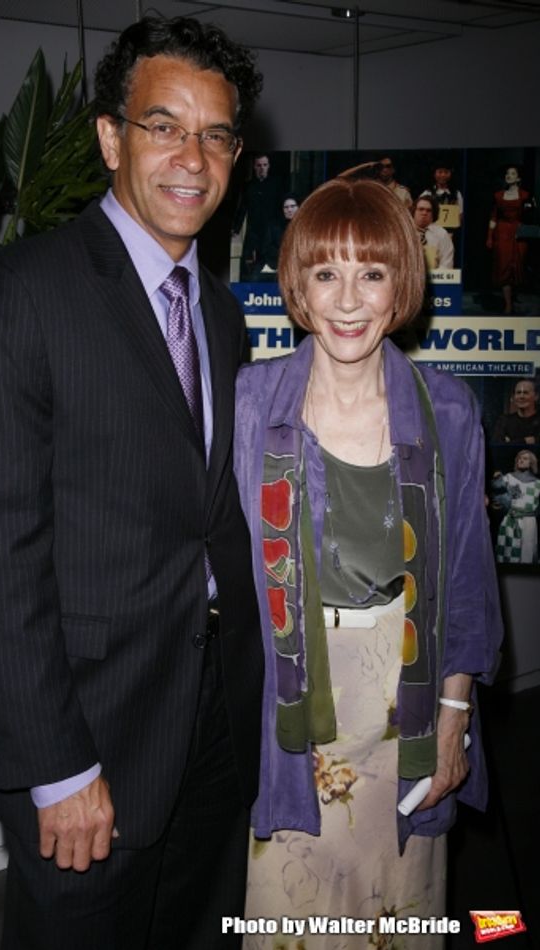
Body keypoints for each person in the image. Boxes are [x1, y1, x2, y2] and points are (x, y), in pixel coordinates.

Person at [0, 16, 264, 950]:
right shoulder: (21, 294)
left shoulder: (220, 312)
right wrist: (57, 766)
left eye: (215, 135)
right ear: (112, 137)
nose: (191, 158)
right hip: (93, 737)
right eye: (164, 126)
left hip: (214, 722)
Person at [234, 177, 502, 947]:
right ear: (299, 287)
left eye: (373, 273)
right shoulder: (252, 404)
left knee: (397, 920)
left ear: (402, 286)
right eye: (326, 274)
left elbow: (466, 581)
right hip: (288, 719)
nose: (348, 300)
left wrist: (454, 721)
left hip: (406, 713)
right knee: (293, 922)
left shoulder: (447, 409)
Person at [486, 165, 531, 314]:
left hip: (519, 233)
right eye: (507, 173)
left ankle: (514, 298)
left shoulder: (525, 195)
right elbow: (493, 217)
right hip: (502, 233)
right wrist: (489, 236)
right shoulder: (498, 195)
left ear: (518, 178)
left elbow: (531, 216)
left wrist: (524, 231)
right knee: (504, 268)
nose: (508, 176)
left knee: (517, 268)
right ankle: (508, 305)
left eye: (512, 174)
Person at [233, 153, 284, 280]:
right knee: (248, 267)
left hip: (271, 233)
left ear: (269, 166)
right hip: (253, 232)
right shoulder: (248, 186)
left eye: (264, 165)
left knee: (272, 267)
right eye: (259, 165)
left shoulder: (276, 185)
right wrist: (236, 228)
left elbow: (280, 208)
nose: (262, 168)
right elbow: (242, 208)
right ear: (254, 167)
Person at [494, 450, 540, 563]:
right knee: (508, 553)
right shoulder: (509, 477)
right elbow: (494, 487)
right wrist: (497, 478)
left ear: (531, 463)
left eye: (525, 458)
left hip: (529, 521)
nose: (521, 460)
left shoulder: (538, 483)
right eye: (519, 458)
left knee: (527, 553)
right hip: (510, 520)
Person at [260, 192, 300, 276]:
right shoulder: (274, 226)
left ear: (299, 207)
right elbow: (266, 248)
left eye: (292, 206)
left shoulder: (306, 227)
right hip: (277, 267)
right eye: (286, 207)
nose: (289, 210)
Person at [492, 377, 540, 444]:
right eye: (518, 393)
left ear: (536, 396)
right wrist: (525, 441)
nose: (521, 396)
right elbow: (497, 446)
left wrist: (510, 442)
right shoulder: (504, 421)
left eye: (525, 393)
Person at [412, 194, 455, 270]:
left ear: (433, 214)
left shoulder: (442, 234)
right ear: (414, 211)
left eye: (428, 210)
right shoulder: (404, 232)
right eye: (421, 209)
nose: (424, 213)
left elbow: (447, 264)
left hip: (435, 279)